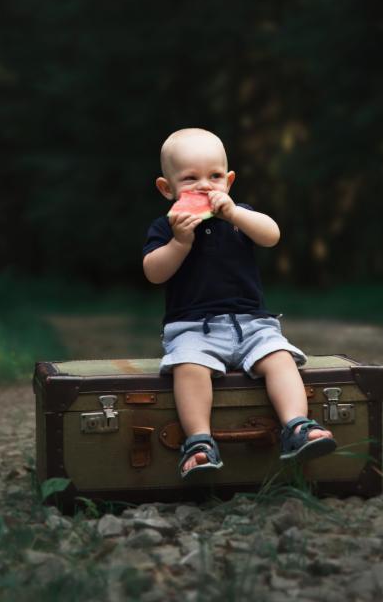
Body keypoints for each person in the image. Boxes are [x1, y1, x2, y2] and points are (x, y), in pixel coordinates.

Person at [142, 127, 336, 478]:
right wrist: (180, 243)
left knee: (280, 358)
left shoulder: (241, 216)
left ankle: (297, 426)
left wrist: (235, 214)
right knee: (188, 367)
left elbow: (271, 235)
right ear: (166, 188)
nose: (205, 186)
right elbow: (154, 273)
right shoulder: (166, 227)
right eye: (190, 178)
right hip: (193, 329)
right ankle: (199, 441)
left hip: (252, 324)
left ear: (229, 181)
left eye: (215, 176)